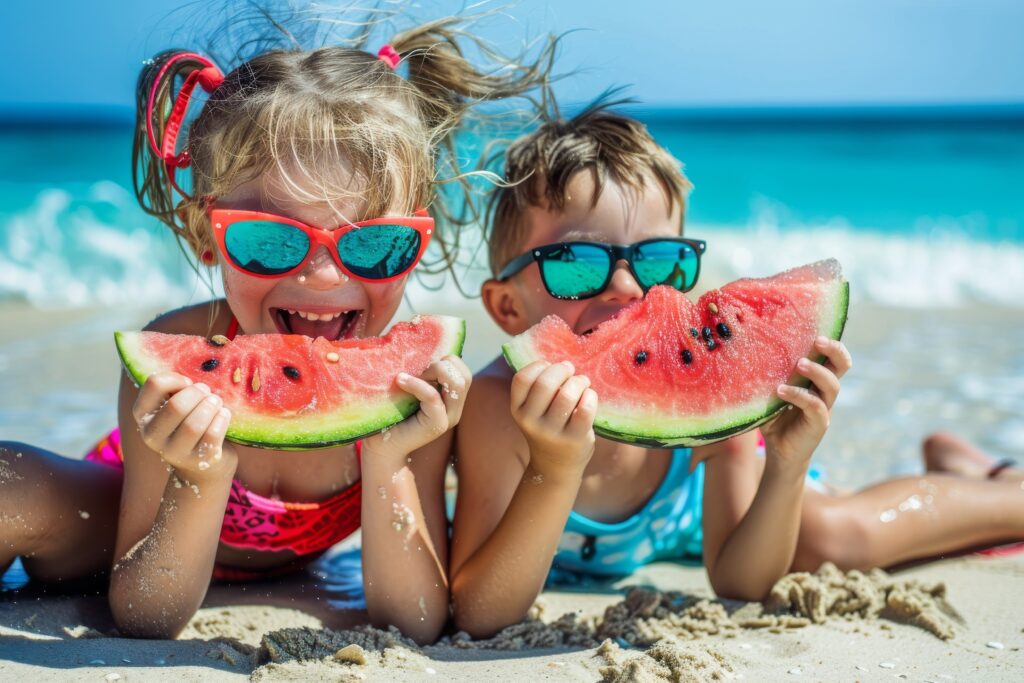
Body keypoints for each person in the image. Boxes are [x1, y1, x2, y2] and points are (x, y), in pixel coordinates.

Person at [0, 14, 554, 643]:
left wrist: (389, 460)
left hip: (288, 552)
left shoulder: (413, 389)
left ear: (417, 244)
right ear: (205, 235)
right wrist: (199, 479)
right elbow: (144, 613)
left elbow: (414, 621)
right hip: (122, 523)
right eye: (269, 240)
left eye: (374, 246)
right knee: (9, 482)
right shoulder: (173, 358)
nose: (322, 276)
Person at [449, 100, 1024, 638]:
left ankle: (1005, 488)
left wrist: (786, 468)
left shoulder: (704, 382)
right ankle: (962, 466)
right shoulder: (498, 410)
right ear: (506, 306)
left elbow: (741, 582)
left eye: (660, 261)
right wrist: (553, 467)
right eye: (575, 266)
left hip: (731, 502)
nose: (626, 288)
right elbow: (480, 611)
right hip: (664, 528)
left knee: (832, 537)